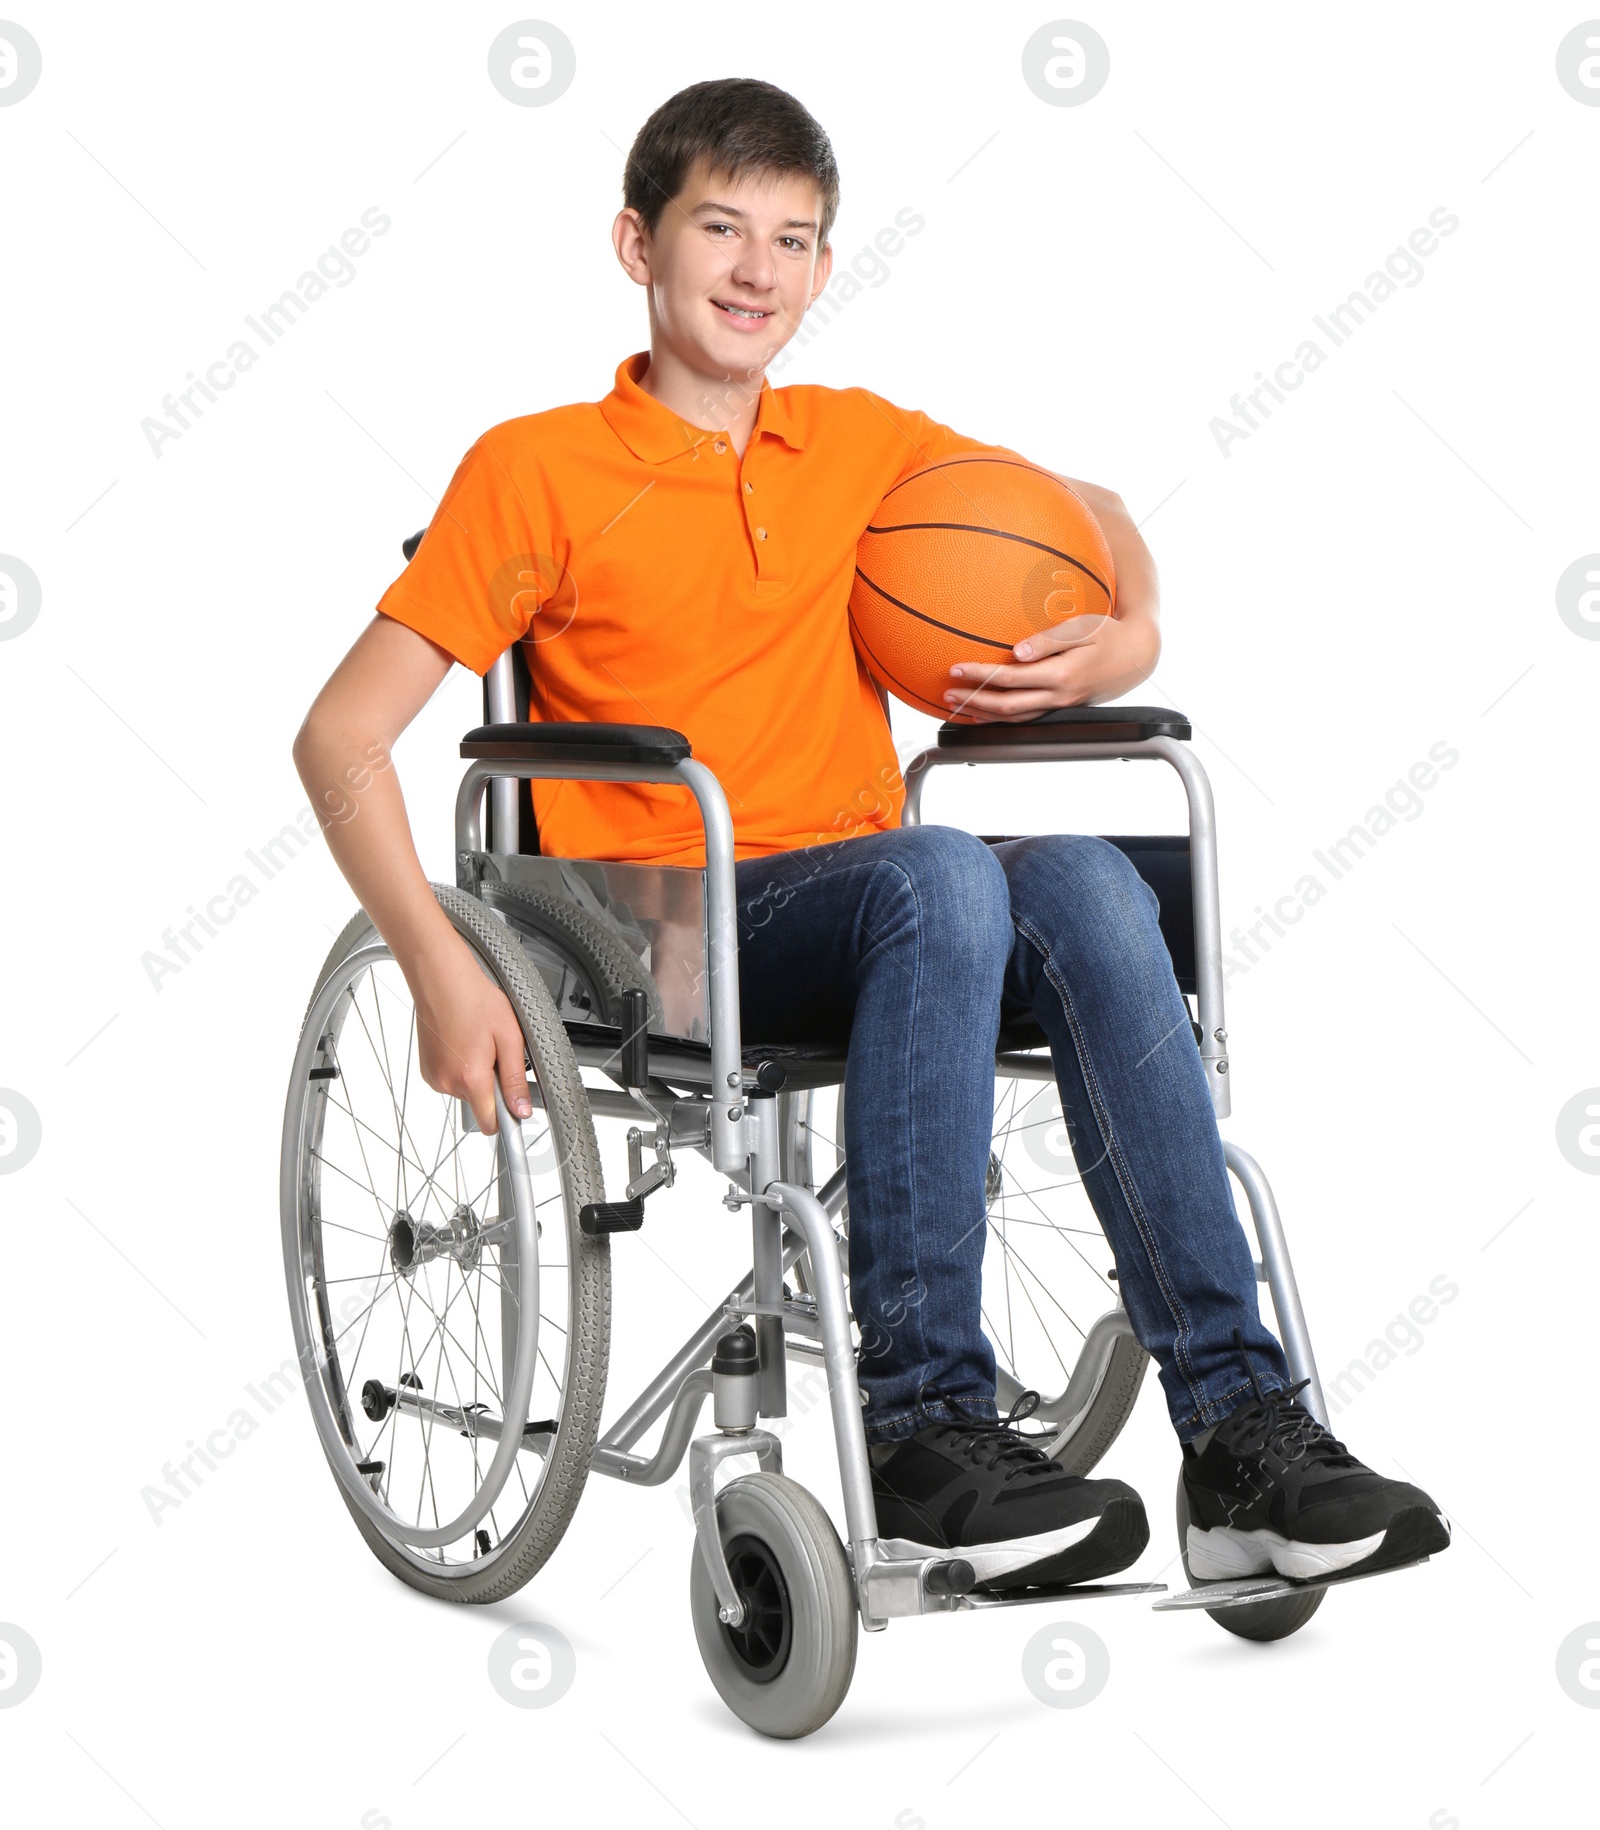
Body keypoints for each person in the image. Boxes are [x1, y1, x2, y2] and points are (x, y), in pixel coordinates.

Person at [293, 77, 1450, 1595]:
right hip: (659, 928)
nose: (757, 267)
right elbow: (340, 737)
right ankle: (920, 1425)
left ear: (827, 267)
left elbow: (1089, 506)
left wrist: (1130, 636)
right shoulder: (538, 467)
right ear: (637, 242)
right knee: (944, 871)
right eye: (722, 226)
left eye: (795, 237)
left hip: (886, 904)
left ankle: (1239, 1434)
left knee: (1093, 877)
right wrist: (444, 965)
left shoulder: (860, 446)